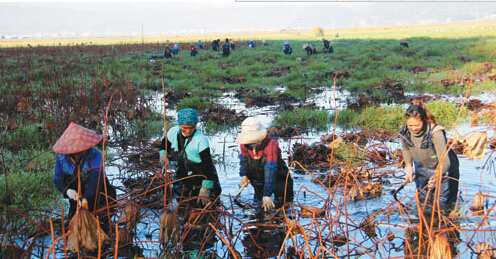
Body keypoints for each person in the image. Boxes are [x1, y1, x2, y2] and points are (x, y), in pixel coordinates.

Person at [53, 122, 116, 232]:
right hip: (76, 196)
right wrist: (67, 191)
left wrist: (86, 199)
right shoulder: (62, 159)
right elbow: (58, 179)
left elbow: (97, 177)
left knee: (102, 225)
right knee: (75, 227)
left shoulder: (95, 154)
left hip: (98, 193)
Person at [399, 102, 459, 211]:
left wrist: (437, 176)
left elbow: (445, 161)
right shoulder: (405, 131)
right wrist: (409, 168)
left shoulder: (436, 132)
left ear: (424, 120)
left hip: (444, 170)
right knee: (423, 204)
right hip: (422, 169)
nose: (413, 128)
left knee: (442, 206)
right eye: (410, 125)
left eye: (417, 125)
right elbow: (406, 148)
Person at [159, 108, 221, 206]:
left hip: (202, 174)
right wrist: (163, 155)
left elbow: (207, 165)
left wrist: (206, 188)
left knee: (207, 207)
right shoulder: (173, 132)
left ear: (196, 125)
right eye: (185, 128)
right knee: (184, 204)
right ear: (179, 125)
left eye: (192, 127)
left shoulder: (201, 140)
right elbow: (164, 144)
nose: (188, 131)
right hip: (184, 173)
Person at [236, 117, 293, 211]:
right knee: (259, 206)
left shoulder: (271, 144)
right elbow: (244, 160)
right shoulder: (244, 144)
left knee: (284, 204)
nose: (250, 144)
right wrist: (244, 175)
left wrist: (267, 194)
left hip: (280, 178)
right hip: (258, 180)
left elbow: (270, 169)